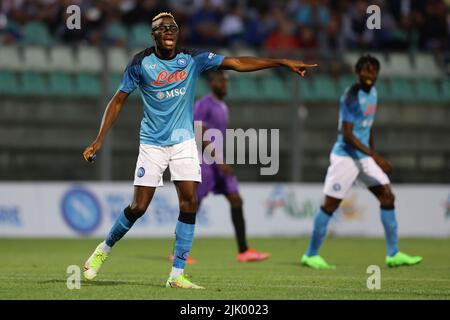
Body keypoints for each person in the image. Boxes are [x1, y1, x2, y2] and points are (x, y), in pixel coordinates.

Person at [82, 12, 317, 290]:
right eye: (162, 28)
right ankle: (103, 250)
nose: (169, 31)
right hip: (153, 143)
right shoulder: (140, 63)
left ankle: (177, 274)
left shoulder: (192, 59)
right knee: (139, 207)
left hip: (183, 141)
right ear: (153, 34)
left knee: (189, 202)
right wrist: (99, 139)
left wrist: (280, 62)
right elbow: (118, 100)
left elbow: (237, 62)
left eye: (173, 27)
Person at [301, 54, 422, 270]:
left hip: (364, 158)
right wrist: (376, 157)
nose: (369, 75)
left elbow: (367, 126)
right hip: (345, 157)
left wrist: (372, 155)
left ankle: (393, 254)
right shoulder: (350, 96)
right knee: (330, 205)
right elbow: (347, 135)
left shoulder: (374, 93)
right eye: (365, 71)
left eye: (373, 71)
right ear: (358, 73)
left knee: (387, 196)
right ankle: (310, 255)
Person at [193, 70, 270, 262]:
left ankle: (244, 251)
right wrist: (218, 160)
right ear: (212, 83)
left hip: (219, 162)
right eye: (221, 81)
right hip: (205, 162)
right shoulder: (204, 103)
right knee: (192, 205)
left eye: (226, 82)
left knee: (236, 199)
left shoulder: (223, 106)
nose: (225, 85)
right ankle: (178, 253)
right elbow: (198, 132)